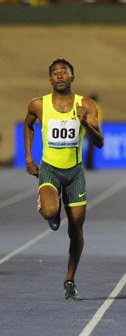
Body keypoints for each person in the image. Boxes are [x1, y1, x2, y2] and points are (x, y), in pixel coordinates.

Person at [24, 59, 104, 300]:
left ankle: (70, 278)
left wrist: (84, 124)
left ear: (72, 78)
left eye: (64, 73)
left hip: (75, 172)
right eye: (55, 73)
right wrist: (29, 158)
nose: (60, 76)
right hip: (49, 169)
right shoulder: (38, 105)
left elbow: (99, 142)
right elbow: (28, 126)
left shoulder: (86, 105)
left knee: (77, 228)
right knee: (50, 212)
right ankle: (52, 210)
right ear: (50, 80)